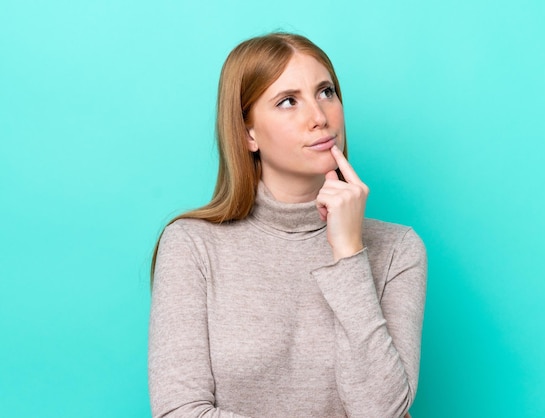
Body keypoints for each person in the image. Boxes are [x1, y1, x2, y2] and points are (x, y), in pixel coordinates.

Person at [148, 32, 427, 418]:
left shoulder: (398, 248)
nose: (319, 117)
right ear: (248, 133)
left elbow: (383, 411)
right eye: (288, 101)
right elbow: (179, 411)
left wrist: (348, 253)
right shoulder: (191, 245)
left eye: (326, 92)